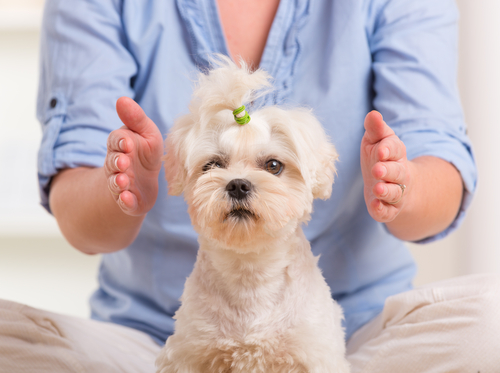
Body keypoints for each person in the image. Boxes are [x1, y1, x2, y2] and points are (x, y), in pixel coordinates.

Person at [1, 0, 499, 372]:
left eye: (272, 166)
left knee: (489, 321)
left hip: (360, 336)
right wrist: (125, 190)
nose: (238, 183)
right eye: (216, 165)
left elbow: (440, 158)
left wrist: (403, 186)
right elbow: (81, 219)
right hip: (148, 337)